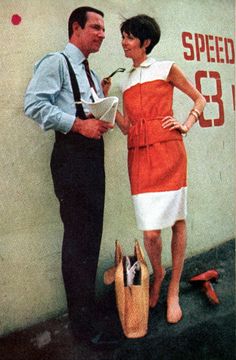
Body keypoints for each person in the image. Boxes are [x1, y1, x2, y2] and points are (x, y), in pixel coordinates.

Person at [24, 6, 114, 343]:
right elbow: (33, 104)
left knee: (89, 239)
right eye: (96, 27)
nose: (102, 34)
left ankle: (85, 316)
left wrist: (102, 100)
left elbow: (87, 113)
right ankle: (82, 329)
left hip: (91, 158)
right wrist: (79, 124)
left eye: (104, 28)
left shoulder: (89, 73)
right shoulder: (56, 62)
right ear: (75, 28)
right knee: (78, 241)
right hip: (72, 159)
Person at [115, 14, 206, 323]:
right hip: (139, 157)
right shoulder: (125, 80)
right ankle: (159, 273)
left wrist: (185, 124)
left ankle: (173, 291)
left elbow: (199, 98)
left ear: (146, 42)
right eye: (123, 36)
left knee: (177, 223)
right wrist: (109, 106)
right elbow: (127, 128)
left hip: (169, 153)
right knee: (151, 233)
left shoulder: (166, 68)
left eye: (128, 37)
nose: (123, 42)